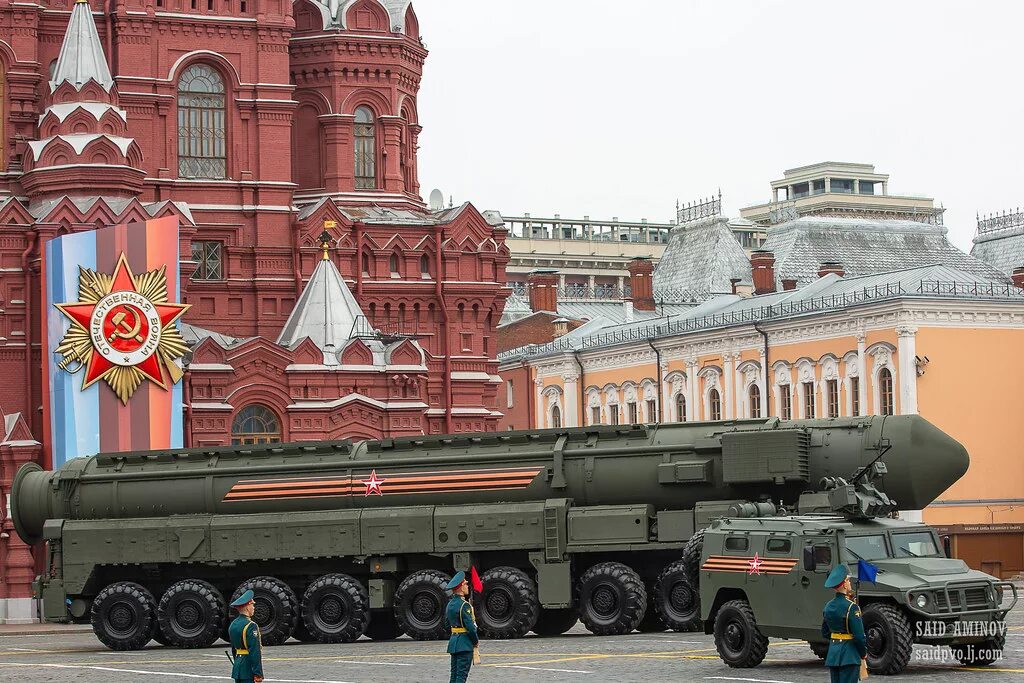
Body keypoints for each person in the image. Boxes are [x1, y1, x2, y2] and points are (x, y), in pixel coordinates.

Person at [821, 565, 867, 683]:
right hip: (850, 655)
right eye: (848, 580)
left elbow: (825, 632)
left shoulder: (828, 606)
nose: (850, 583)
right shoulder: (852, 607)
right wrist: (863, 653)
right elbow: (859, 636)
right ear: (844, 584)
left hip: (833, 655)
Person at [442, 571, 479, 683]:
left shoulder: (450, 604)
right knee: (461, 677)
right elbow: (470, 628)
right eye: (466, 584)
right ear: (462, 587)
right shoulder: (465, 605)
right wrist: (475, 641)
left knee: (454, 676)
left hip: (454, 643)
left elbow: (447, 624)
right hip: (464, 644)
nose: (467, 586)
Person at [228, 590, 264, 683]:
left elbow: (234, 649)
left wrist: (237, 663)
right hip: (248, 668)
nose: (254, 608)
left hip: (238, 667)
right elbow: (254, 651)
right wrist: (258, 673)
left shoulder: (233, 624)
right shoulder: (251, 625)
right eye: (252, 605)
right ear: (247, 607)